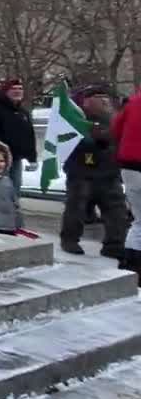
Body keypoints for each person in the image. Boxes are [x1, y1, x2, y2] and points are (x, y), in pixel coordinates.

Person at [60, 86, 129, 257]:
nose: (105, 101)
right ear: (86, 102)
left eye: (105, 97)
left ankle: (114, 244)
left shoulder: (114, 119)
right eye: (99, 97)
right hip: (82, 173)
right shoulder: (75, 119)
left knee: (116, 211)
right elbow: (66, 143)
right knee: (77, 208)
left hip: (109, 173)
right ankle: (70, 239)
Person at [0, 79, 36, 199]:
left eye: (20, 89)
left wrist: (32, 157)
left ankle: (12, 215)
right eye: (13, 89)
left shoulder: (22, 113)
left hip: (15, 160)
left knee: (14, 191)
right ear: (5, 92)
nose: (17, 92)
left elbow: (29, 136)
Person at [112, 86, 141, 278]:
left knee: (139, 221)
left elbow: (115, 129)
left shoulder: (134, 101)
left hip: (130, 167)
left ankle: (131, 266)